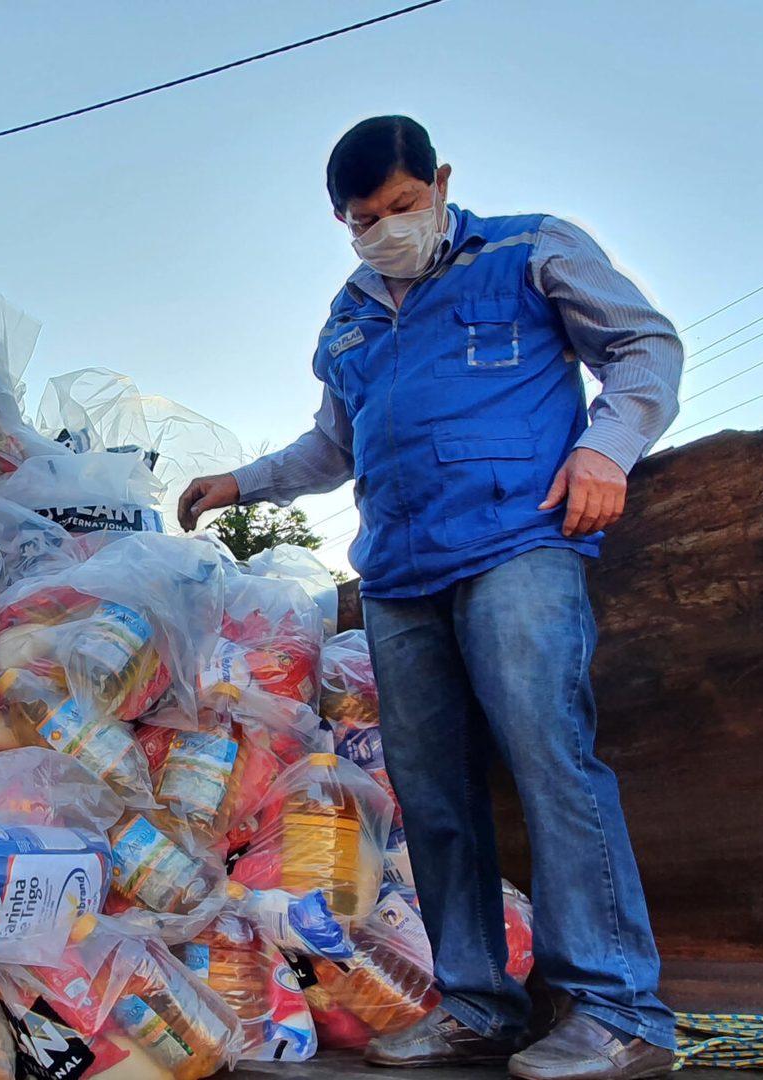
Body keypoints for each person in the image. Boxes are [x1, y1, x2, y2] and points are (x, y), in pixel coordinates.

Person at [178, 116, 681, 1080]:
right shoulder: (349, 315)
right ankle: (476, 1004)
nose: (386, 229)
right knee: (434, 794)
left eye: (403, 207)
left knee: (550, 758)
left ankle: (619, 1012)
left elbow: (644, 349)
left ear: (441, 181)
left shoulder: (532, 249)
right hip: (401, 577)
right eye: (364, 219)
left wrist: (605, 450)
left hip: (520, 544)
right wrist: (239, 484)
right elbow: (333, 444)